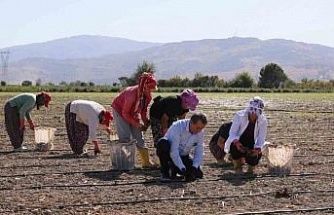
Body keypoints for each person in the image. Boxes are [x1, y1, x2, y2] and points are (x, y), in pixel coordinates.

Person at [111, 72, 158, 168]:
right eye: (149, 89)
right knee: (125, 137)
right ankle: (125, 163)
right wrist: (136, 124)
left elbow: (143, 110)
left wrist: (145, 122)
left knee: (139, 136)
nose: (151, 91)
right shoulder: (131, 94)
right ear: (144, 86)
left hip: (133, 112)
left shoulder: (147, 96)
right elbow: (125, 113)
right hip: (120, 111)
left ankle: (146, 162)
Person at [156, 113, 208, 181]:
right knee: (163, 143)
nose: (199, 131)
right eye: (197, 128)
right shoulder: (177, 127)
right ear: (191, 123)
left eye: (201, 128)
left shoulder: (200, 131)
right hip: (170, 153)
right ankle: (165, 172)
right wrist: (182, 169)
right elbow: (173, 151)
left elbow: (199, 150)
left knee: (198, 174)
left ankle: (174, 169)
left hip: (184, 155)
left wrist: (194, 167)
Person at [224, 96, 268, 174]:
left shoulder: (263, 121)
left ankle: (250, 169)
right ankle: (238, 167)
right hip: (240, 140)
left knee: (253, 156)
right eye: (252, 111)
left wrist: (257, 149)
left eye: (256, 112)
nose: (253, 114)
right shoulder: (239, 115)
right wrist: (237, 143)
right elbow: (232, 133)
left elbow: (261, 138)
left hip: (252, 143)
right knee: (234, 148)